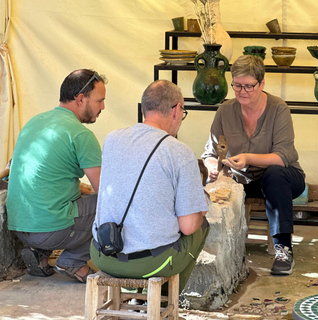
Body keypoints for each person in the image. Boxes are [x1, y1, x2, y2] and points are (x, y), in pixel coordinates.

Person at [90, 80, 209, 293]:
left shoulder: (112, 139)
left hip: (102, 254)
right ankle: (163, 305)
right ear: (176, 110)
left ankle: (137, 298)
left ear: (144, 108)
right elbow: (189, 226)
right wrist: (200, 208)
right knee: (201, 225)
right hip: (150, 264)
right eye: (183, 111)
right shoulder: (179, 152)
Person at [201, 55, 305, 275]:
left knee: (274, 175)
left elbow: (283, 156)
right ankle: (220, 251)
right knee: (223, 183)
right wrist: (213, 167)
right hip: (242, 179)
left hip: (284, 178)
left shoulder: (278, 109)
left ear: (262, 84)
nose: (242, 92)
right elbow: (209, 153)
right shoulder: (225, 111)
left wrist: (248, 157)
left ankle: (283, 250)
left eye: (249, 86)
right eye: (237, 86)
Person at [6, 69, 106, 282]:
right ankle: (73, 261)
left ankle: (39, 253)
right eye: (100, 101)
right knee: (112, 203)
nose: (103, 107)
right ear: (81, 99)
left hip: (19, 226)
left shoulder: (35, 121)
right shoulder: (81, 134)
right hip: (51, 229)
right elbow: (105, 191)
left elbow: (48, 178)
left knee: (74, 200)